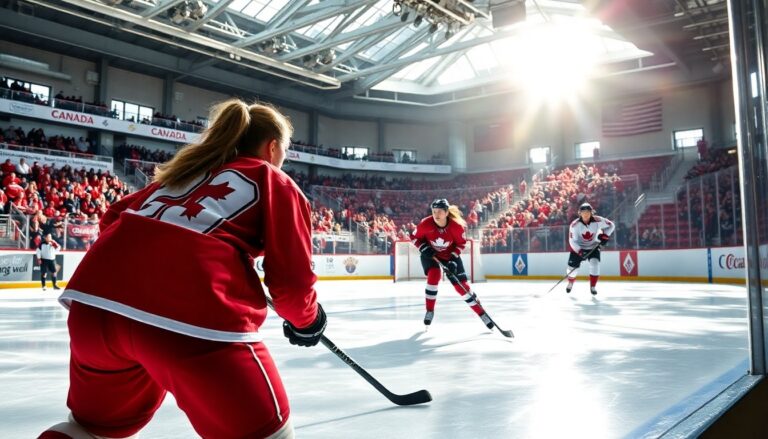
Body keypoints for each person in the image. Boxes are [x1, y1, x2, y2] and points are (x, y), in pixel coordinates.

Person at [38, 99, 326, 439]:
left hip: (95, 307)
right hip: (190, 320)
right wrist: (309, 321)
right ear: (273, 147)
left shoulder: (183, 172)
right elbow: (292, 288)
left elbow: (112, 220)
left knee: (88, 431)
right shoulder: (271, 178)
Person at [411, 198, 493, 329]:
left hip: (450, 256)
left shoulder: (456, 227)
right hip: (430, 254)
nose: (436, 215)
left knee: (462, 287)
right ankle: (430, 311)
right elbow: (414, 237)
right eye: (434, 211)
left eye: (439, 212)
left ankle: (482, 313)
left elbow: (461, 244)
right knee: (434, 275)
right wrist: (423, 248)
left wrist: (452, 259)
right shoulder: (426, 223)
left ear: (446, 212)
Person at [565, 202, 615, 295]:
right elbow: (572, 241)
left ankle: (593, 286)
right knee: (572, 270)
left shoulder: (598, 220)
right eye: (583, 212)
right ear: (579, 213)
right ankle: (570, 282)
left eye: (588, 212)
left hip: (593, 246)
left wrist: (605, 235)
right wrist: (580, 251)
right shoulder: (574, 225)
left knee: (595, 264)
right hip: (578, 248)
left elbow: (611, 225)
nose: (586, 214)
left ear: (591, 212)